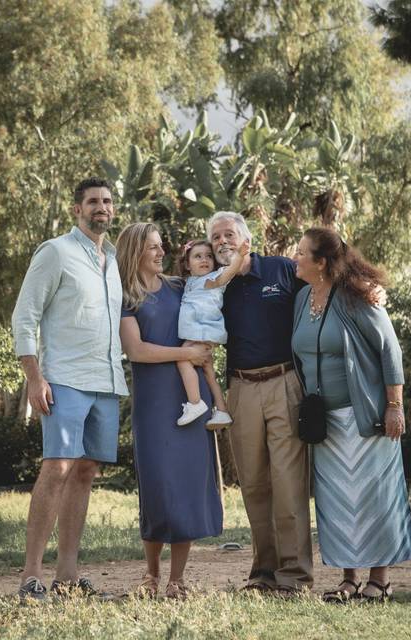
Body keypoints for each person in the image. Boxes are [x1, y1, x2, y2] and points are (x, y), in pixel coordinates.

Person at [10, 177, 129, 601]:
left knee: (84, 472)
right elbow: (24, 316)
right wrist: (34, 376)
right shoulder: (55, 252)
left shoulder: (112, 261)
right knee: (57, 468)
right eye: (93, 201)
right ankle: (30, 575)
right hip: (63, 379)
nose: (102, 207)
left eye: (108, 201)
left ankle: (67, 575)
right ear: (77, 209)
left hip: (106, 380)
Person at [291, 226, 411, 603]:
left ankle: (379, 580)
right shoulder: (301, 299)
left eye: (301, 253)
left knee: (375, 496)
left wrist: (394, 406)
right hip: (323, 422)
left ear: (322, 262)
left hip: (365, 415)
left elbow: (390, 350)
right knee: (337, 500)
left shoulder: (356, 298)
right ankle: (348, 579)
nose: (294, 258)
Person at [207, 210, 314, 594]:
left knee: (288, 483)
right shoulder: (213, 285)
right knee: (253, 485)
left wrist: (369, 291)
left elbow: (325, 287)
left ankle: (295, 576)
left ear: (246, 239)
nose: (222, 242)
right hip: (241, 390)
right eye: (216, 237)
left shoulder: (282, 270)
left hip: (284, 382)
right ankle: (263, 573)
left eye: (229, 234)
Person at [117, 222, 223, 599]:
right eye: (152, 248)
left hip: (190, 402)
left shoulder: (181, 286)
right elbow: (137, 351)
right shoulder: (126, 297)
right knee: (158, 486)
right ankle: (151, 575)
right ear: (134, 252)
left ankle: (177, 580)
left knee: (188, 486)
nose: (161, 253)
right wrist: (186, 354)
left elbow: (222, 285)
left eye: (161, 246)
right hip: (154, 404)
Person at [174, 239, 246, 429]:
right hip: (198, 333)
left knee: (182, 359)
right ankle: (222, 411)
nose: (204, 260)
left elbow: (230, 271)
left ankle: (195, 403)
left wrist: (240, 254)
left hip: (204, 331)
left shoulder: (213, 280)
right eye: (198, 256)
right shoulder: (189, 282)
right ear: (187, 265)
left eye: (208, 256)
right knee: (208, 372)